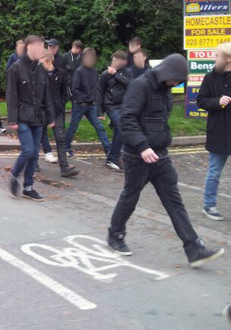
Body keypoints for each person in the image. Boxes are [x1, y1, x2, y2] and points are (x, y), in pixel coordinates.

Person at [107, 53, 224, 267]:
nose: (175, 84)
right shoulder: (140, 86)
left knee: (174, 201)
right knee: (130, 196)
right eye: (175, 80)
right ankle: (115, 235)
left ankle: (194, 248)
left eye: (179, 82)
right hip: (137, 156)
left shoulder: (165, 89)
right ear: (166, 73)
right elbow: (127, 118)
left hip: (160, 155)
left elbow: (160, 119)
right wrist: (142, 147)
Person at [6, 35, 54, 201]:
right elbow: (11, 95)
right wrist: (12, 119)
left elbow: (46, 95)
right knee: (28, 150)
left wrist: (51, 116)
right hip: (22, 116)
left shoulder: (41, 69)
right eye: (39, 47)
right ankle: (14, 174)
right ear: (29, 48)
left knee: (35, 155)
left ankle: (28, 187)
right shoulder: (16, 68)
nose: (41, 50)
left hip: (38, 117)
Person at [197, 42, 231, 221]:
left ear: (228, 59)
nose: (214, 58)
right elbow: (201, 100)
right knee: (214, 171)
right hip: (218, 131)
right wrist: (217, 102)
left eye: (217, 55)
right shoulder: (210, 77)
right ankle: (209, 205)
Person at [65, 48, 111, 157]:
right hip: (80, 105)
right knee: (73, 127)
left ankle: (108, 149)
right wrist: (81, 101)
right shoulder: (79, 71)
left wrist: (95, 102)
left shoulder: (94, 71)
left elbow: (97, 89)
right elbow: (74, 88)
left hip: (91, 105)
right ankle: (66, 148)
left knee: (99, 127)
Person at [39, 51, 79, 178]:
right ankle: (33, 164)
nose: (40, 64)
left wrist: (61, 104)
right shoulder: (39, 74)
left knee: (60, 139)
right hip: (43, 110)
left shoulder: (61, 74)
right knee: (36, 137)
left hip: (56, 111)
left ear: (49, 61)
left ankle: (64, 167)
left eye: (42, 62)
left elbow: (65, 92)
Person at [98, 50, 132, 171]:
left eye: (116, 61)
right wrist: (100, 111)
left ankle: (113, 158)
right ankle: (114, 157)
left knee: (120, 130)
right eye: (113, 60)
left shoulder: (127, 73)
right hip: (111, 106)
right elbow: (100, 92)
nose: (113, 62)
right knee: (122, 127)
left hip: (124, 105)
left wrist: (116, 74)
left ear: (123, 62)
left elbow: (131, 85)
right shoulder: (105, 74)